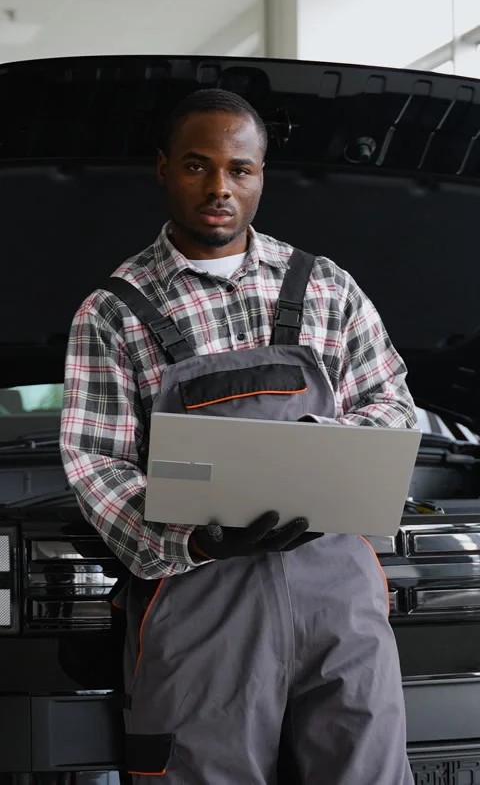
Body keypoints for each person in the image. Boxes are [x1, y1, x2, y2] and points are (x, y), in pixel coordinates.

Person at [60, 88, 418, 785]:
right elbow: (96, 460)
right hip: (199, 597)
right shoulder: (114, 311)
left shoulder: (327, 288)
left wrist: (323, 453)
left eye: (240, 168)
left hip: (336, 591)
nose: (220, 187)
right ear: (164, 169)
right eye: (197, 166)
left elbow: (392, 403)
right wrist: (192, 537)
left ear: (261, 176)